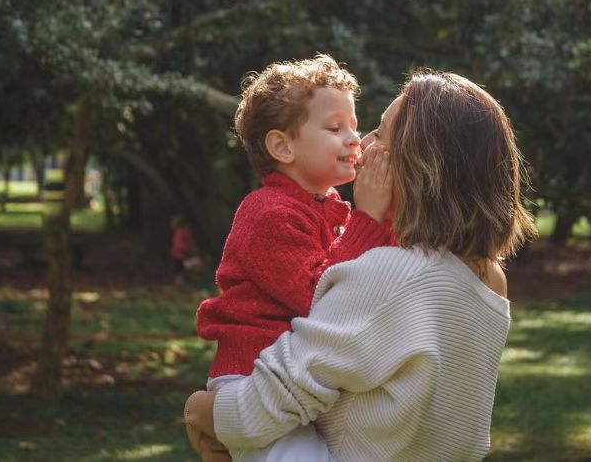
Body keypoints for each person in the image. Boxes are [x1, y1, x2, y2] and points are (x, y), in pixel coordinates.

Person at [185, 70, 538, 461]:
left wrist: (199, 413)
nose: (362, 143)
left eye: (380, 133)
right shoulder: (490, 281)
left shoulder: (392, 275)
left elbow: (265, 405)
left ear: (422, 165)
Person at [194, 54, 394, 461]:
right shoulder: (267, 212)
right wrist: (370, 217)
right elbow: (321, 295)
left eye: (354, 125)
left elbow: (367, 269)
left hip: (296, 376)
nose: (354, 139)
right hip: (253, 376)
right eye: (335, 128)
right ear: (282, 146)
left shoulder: (328, 207)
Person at [170, 214, 194, 285]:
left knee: (179, 269)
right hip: (180, 254)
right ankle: (181, 282)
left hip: (180, 254)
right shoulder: (182, 231)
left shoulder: (180, 232)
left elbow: (178, 243)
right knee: (180, 269)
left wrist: (185, 249)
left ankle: (181, 282)